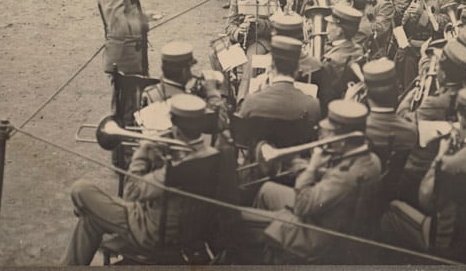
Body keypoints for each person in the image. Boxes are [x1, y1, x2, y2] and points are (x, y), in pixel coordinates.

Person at [62, 94, 217, 265]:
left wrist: (143, 151)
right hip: (174, 225)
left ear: (176, 126)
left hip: (149, 230)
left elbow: (131, 192)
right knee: (89, 220)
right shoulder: (211, 155)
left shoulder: (178, 168)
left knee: (81, 189)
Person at [383, 88, 466, 256]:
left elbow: (425, 199)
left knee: (392, 210)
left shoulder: (449, 164)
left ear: (462, 120)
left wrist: (440, 156)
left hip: (449, 247)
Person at [244, 100, 381, 262]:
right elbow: (335, 183)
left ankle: (259, 256)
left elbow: (302, 206)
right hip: (327, 215)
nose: (325, 136)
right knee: (267, 189)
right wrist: (313, 169)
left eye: (329, 132)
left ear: (343, 140)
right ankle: (266, 255)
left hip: (315, 234)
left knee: (241, 217)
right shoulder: (369, 158)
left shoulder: (345, 177)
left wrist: (311, 169)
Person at [239, 35, 321, 124]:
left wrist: (256, 92)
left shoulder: (251, 102)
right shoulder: (312, 105)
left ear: (270, 67)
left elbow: (242, 132)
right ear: (297, 70)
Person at [322, 3, 366, 100]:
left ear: (339, 31)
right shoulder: (357, 48)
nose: (327, 28)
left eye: (330, 24)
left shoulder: (331, 61)